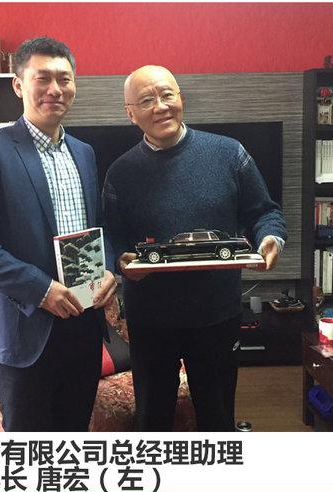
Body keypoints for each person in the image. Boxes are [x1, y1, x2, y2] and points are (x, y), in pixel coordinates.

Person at [103, 65, 287, 432]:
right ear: (131, 113)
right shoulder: (120, 172)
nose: (161, 107)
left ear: (181, 98)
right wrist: (119, 258)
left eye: (167, 94)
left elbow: (264, 212)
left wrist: (271, 237)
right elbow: (111, 234)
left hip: (216, 314)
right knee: (152, 420)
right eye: (146, 100)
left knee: (217, 418)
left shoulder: (229, 153)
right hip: (151, 320)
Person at [0, 37, 116, 432]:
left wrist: (108, 269)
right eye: (43, 78)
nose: (55, 89)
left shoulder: (84, 152)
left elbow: (97, 225)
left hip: (82, 321)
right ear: (18, 84)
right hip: (23, 326)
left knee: (73, 436)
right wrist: (41, 290)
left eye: (65, 79)